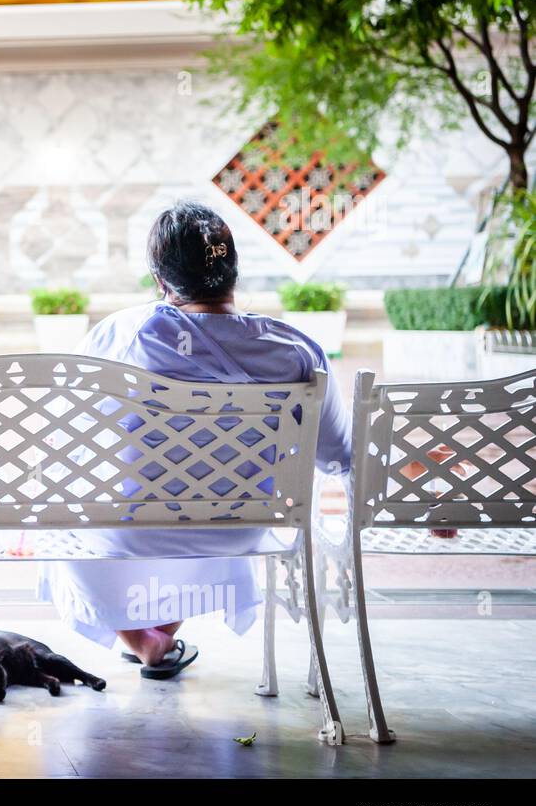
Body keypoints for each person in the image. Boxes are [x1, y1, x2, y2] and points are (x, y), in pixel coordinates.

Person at [38, 201, 352, 678]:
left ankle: (143, 639)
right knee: (197, 513)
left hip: (128, 524)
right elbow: (340, 456)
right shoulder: (295, 351)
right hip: (239, 525)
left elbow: (61, 438)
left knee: (69, 514)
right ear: (234, 272)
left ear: (162, 282)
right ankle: (154, 640)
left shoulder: (123, 335)